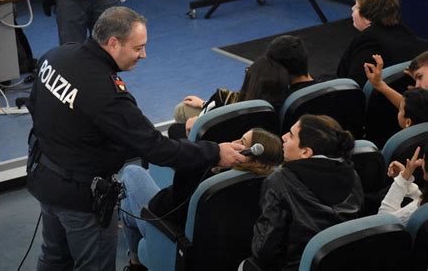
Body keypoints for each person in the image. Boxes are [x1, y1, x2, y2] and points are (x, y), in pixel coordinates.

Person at [25, 6, 247, 271]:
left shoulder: (56, 56)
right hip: (80, 198)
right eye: (138, 48)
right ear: (113, 43)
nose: (143, 54)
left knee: (53, 257)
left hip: (44, 177)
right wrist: (215, 153)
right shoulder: (107, 94)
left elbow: (34, 105)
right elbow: (155, 147)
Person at [120, 128, 284, 270]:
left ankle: (135, 262)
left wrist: (202, 164)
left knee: (132, 173)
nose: (234, 142)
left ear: (247, 155)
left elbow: (158, 209)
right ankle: (135, 262)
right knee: (127, 206)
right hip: (223, 256)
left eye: (241, 141)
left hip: (172, 240)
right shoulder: (273, 186)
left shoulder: (208, 182)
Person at [239, 114, 363, 271]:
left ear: (306, 152)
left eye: (291, 136)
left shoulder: (279, 181)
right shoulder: (353, 175)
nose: (283, 138)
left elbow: (264, 251)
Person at [169, 56, 289, 138]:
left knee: (175, 125)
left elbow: (206, 124)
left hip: (215, 146)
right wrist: (203, 103)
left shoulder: (222, 98)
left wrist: (197, 122)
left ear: (252, 82)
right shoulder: (279, 110)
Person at [337, 0, 428, 87]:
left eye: (356, 6)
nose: (352, 9)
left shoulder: (367, 41)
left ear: (368, 18)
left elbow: (351, 85)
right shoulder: (404, 31)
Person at [379, 145, 427, 225]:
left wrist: (403, 177)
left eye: (424, 160)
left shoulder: (419, 211)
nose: (421, 161)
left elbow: (383, 222)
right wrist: (405, 178)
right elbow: (420, 197)